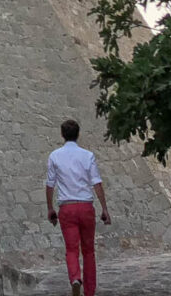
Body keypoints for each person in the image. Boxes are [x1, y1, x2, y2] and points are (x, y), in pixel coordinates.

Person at [46, 118, 111, 296]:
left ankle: (75, 278)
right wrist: (104, 208)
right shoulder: (87, 155)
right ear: (78, 134)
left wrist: (50, 208)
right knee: (88, 250)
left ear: (62, 135)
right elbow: (96, 183)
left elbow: (50, 184)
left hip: (67, 208)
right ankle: (89, 291)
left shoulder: (54, 156)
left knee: (71, 249)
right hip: (85, 206)